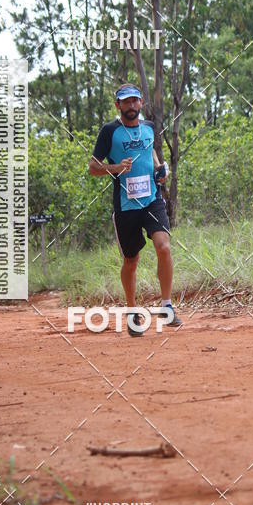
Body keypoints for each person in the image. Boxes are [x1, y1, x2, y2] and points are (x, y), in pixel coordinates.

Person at [89, 83, 182, 336]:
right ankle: (132, 313)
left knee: (164, 247)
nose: (131, 106)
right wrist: (116, 167)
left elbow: (150, 149)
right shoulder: (110, 131)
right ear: (118, 105)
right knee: (131, 260)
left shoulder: (149, 127)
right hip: (126, 206)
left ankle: (166, 306)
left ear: (141, 103)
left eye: (135, 101)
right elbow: (93, 167)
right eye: (126, 102)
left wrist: (160, 169)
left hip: (152, 200)